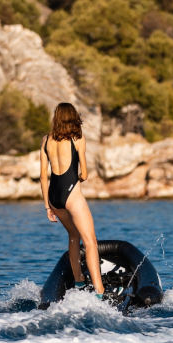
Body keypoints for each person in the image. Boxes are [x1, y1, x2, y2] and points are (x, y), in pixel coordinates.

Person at [40, 102, 105, 299]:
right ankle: (100, 292)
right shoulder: (78, 138)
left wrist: (47, 206)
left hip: (53, 196)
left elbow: (43, 176)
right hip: (71, 194)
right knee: (90, 242)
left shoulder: (45, 140)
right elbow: (83, 172)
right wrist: (81, 177)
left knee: (73, 236)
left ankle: (78, 280)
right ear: (73, 117)